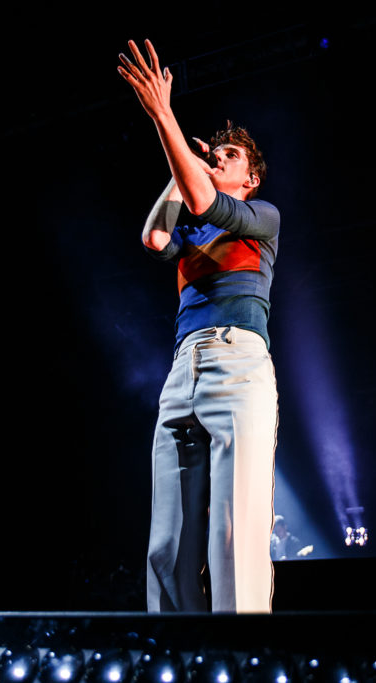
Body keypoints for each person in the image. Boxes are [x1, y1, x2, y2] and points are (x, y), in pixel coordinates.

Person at [118, 39, 281, 613]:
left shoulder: (261, 216)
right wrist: (180, 163)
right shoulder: (191, 230)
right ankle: (174, 654)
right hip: (182, 369)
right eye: (218, 152)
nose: (220, 157)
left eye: (230, 155)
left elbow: (206, 201)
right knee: (168, 545)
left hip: (238, 365)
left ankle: (241, 656)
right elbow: (155, 237)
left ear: (251, 178)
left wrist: (163, 114)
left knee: (233, 535)